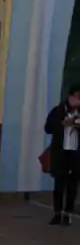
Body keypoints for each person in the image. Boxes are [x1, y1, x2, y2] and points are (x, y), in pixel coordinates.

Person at [45, 85, 80, 225]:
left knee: (73, 185)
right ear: (69, 96)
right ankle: (57, 213)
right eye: (76, 97)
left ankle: (68, 213)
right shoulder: (58, 111)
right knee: (59, 184)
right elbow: (48, 128)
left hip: (76, 153)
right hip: (60, 152)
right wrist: (63, 124)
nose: (78, 100)